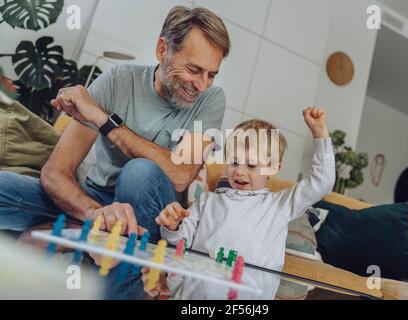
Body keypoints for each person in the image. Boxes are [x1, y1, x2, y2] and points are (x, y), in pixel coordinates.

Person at [0, 6, 230, 300]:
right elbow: (56, 171)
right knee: (6, 187)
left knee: (140, 171)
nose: (202, 84)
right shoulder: (118, 80)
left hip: (155, 217)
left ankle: (100, 246)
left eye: (211, 74)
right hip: (97, 202)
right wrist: (95, 215)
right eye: (194, 70)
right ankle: (89, 233)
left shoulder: (211, 100)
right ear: (163, 50)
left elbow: (181, 174)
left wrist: (103, 120)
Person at [143, 107, 336, 299]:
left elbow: (322, 183)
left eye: (251, 165)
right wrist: (173, 226)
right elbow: (178, 244)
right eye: (234, 162)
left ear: (273, 168)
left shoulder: (280, 205)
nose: (240, 172)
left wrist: (320, 133)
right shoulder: (207, 201)